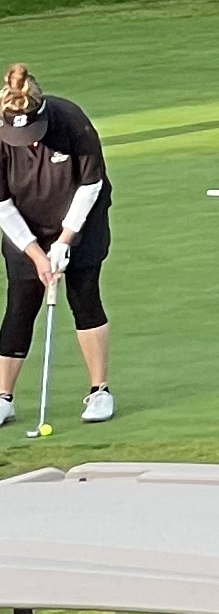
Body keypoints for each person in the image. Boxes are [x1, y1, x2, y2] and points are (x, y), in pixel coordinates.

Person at [0, 68, 112, 426]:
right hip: (25, 223)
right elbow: (1, 204)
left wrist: (65, 241)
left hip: (81, 219)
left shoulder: (71, 122)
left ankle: (99, 391)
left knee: (84, 296)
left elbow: (90, 185)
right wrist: (35, 252)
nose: (30, 143)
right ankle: (4, 397)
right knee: (21, 303)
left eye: (33, 134)